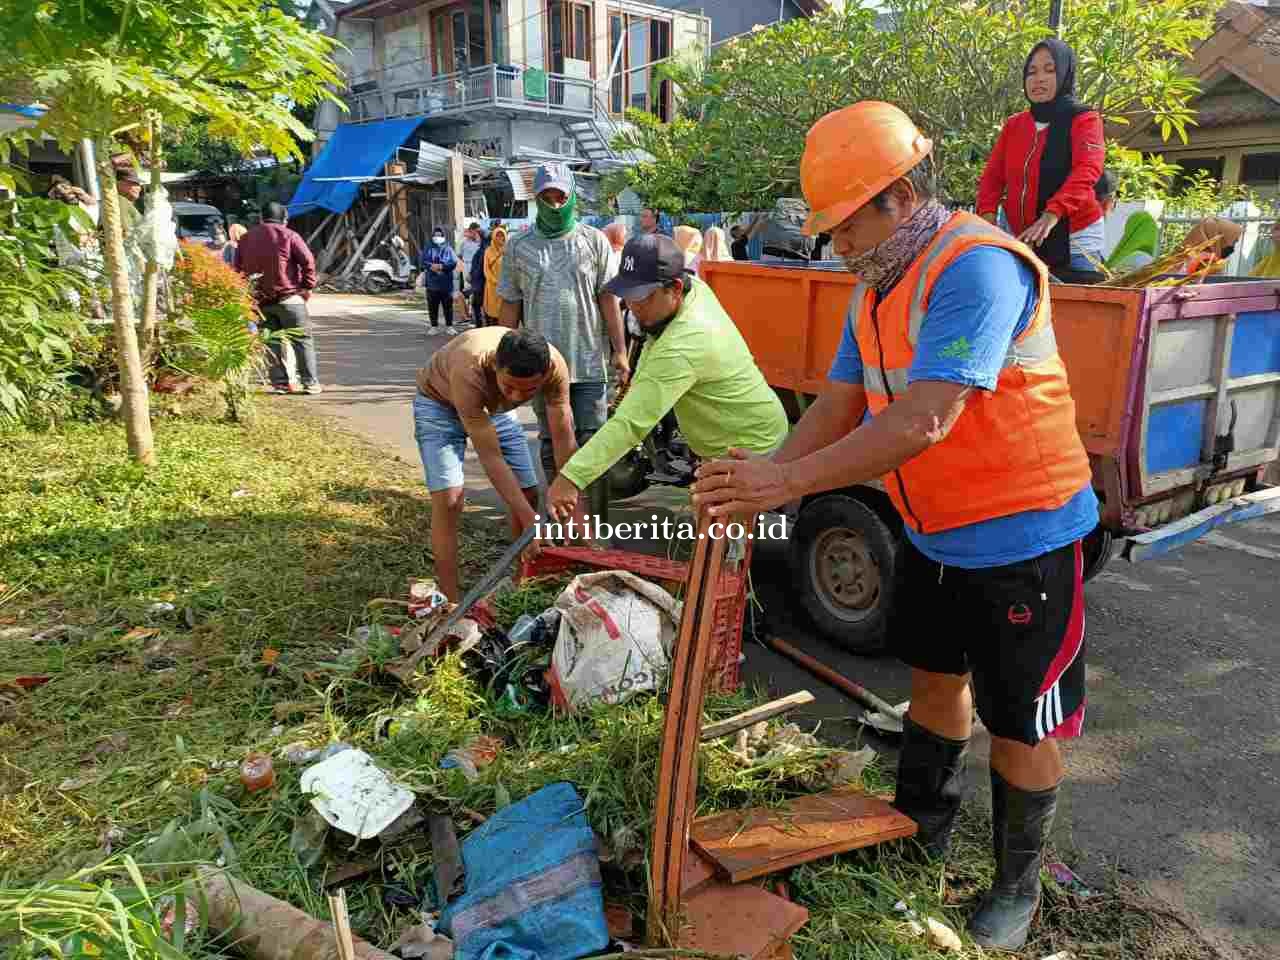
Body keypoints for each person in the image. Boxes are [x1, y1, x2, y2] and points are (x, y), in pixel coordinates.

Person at [690, 101, 1097, 951]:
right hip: (933, 533)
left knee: (1021, 723)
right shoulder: (877, 289)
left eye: (845, 227)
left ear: (903, 195)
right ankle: (919, 832)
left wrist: (788, 482)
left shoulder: (977, 269)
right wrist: (772, 479)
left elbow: (922, 420)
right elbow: (840, 404)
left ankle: (1015, 891)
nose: (837, 246)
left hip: (1024, 539)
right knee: (934, 685)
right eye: (829, 232)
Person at [544, 234, 789, 537]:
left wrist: (570, 477)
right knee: (709, 537)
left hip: (747, 448)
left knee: (721, 555)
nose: (632, 307)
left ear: (674, 288)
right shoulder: (693, 290)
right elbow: (653, 338)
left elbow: (631, 425)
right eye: (628, 295)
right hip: (725, 442)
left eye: (642, 298)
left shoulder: (686, 342)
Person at [497, 162, 628, 537]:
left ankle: (593, 528)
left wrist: (619, 351)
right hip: (540, 369)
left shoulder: (593, 241)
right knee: (552, 442)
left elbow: (608, 300)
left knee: (591, 443)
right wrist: (499, 358)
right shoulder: (519, 245)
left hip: (588, 363)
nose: (554, 204)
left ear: (571, 196)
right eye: (546, 197)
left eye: (560, 196)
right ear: (536, 199)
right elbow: (509, 304)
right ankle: (561, 526)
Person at [413, 327, 578, 601]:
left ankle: (518, 584)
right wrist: (530, 520)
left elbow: (563, 433)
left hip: (492, 409)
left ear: (545, 373)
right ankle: (449, 601)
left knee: (528, 492)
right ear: (494, 365)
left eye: (529, 390)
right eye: (509, 386)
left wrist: (570, 494)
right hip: (439, 405)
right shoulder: (470, 368)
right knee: (450, 500)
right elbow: (491, 458)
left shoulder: (555, 365)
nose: (516, 397)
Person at [977, 39, 1106, 282]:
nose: (1039, 79)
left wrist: (1052, 214)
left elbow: (1088, 169)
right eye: (1032, 72)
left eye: (1050, 70)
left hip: (1075, 235)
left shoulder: (1085, 119)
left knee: (1078, 310)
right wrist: (987, 217)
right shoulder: (1015, 125)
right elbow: (993, 176)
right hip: (1021, 236)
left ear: (1065, 74)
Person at [234, 201, 322, 395]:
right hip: (290, 298)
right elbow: (308, 261)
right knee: (302, 341)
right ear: (285, 219)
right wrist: (307, 286)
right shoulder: (290, 235)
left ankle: (280, 384)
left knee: (271, 343)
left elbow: (237, 270)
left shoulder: (246, 239)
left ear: (260, 218)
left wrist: (248, 294)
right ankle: (310, 383)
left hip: (260, 302)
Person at [422, 226, 459, 336]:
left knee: (448, 306)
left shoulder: (448, 248)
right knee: (432, 306)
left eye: (439, 235)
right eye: (436, 235)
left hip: (446, 284)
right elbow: (423, 260)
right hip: (432, 284)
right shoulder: (428, 248)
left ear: (443, 236)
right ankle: (434, 326)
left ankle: (449, 326)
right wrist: (431, 266)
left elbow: (453, 262)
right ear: (433, 236)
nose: (437, 237)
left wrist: (442, 266)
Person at [482, 224, 508, 323]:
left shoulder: (508, 250)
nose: (500, 238)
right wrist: (495, 281)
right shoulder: (488, 251)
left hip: (505, 286)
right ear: (493, 236)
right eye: (497, 235)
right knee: (492, 312)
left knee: (504, 312)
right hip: (492, 287)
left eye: (502, 235)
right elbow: (486, 270)